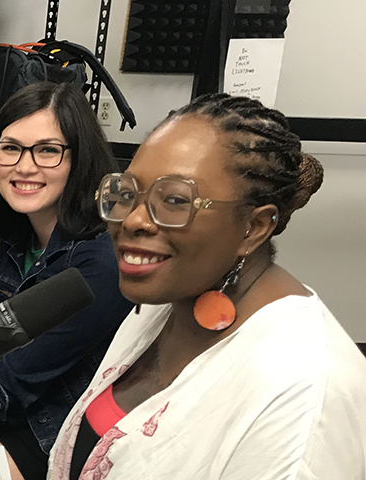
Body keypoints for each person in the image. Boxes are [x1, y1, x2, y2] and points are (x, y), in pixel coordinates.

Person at [48, 94, 366, 479]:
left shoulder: (305, 392)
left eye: (176, 200)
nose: (133, 220)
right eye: (127, 192)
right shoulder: (166, 299)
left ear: (255, 227)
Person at [0, 82, 133, 480]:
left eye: (47, 150)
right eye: (11, 147)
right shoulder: (13, 236)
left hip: (54, 431)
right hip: (4, 410)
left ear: (78, 159)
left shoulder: (101, 258)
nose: (24, 166)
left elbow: (18, 376)